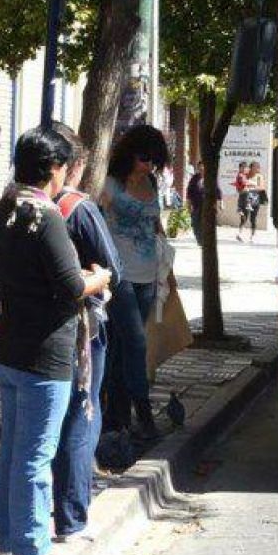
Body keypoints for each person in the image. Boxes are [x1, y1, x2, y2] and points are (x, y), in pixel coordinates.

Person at [0, 127, 110, 555]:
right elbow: (72, 285)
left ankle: (6, 544)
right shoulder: (46, 215)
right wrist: (100, 278)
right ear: (55, 169)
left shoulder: (5, 208)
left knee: (12, 455)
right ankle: (31, 551)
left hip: (9, 347)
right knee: (35, 459)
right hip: (46, 353)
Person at [49, 122, 122, 543]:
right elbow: (115, 268)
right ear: (73, 166)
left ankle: (10, 512)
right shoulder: (78, 208)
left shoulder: (14, 204)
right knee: (81, 413)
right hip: (79, 331)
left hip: (22, 333)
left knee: (30, 426)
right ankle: (73, 515)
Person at [101, 124, 170, 441]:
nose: (148, 166)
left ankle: (116, 416)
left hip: (149, 274)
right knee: (136, 342)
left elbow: (157, 225)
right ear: (130, 155)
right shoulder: (111, 184)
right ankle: (142, 412)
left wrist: (166, 265)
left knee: (122, 347)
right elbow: (97, 226)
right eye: (144, 159)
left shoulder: (153, 182)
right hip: (120, 274)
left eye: (154, 161)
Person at [186, 161, 221, 247]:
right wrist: (188, 205)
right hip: (196, 205)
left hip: (208, 206)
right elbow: (189, 192)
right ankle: (199, 239)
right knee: (195, 224)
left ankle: (205, 240)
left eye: (203, 167)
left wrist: (220, 203)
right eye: (200, 168)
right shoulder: (194, 179)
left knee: (207, 223)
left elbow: (217, 191)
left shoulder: (211, 178)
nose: (202, 169)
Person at [244, 161, 266, 242]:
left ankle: (252, 235)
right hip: (246, 199)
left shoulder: (259, 176)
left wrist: (252, 188)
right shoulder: (246, 176)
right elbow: (242, 185)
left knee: (253, 218)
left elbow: (262, 188)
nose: (256, 168)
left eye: (257, 167)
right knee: (244, 217)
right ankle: (241, 233)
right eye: (254, 167)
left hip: (255, 199)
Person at [234, 161, 249, 241]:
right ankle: (240, 234)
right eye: (243, 167)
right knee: (244, 217)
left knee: (245, 217)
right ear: (240, 168)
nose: (244, 169)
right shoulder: (240, 176)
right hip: (243, 198)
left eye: (245, 167)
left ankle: (240, 233)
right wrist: (246, 189)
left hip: (245, 197)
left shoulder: (244, 176)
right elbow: (239, 189)